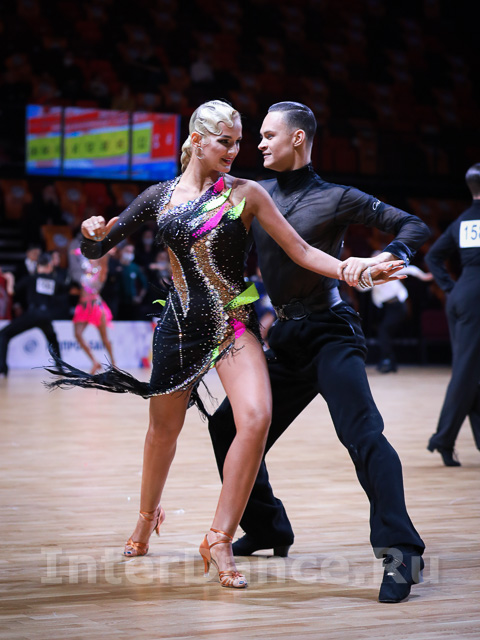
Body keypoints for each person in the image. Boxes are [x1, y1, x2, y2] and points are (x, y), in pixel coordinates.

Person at [45, 100, 402, 590]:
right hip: (178, 328)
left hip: (233, 323)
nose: (235, 150)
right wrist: (89, 234)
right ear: (196, 140)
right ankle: (146, 518)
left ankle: (219, 537)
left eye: (238, 142)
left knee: (255, 416)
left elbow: (301, 249)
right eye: (225, 141)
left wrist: (350, 270)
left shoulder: (246, 193)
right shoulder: (158, 197)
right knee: (162, 433)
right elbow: (97, 247)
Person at [208, 101, 430, 603]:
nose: (259, 144)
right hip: (285, 337)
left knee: (362, 434)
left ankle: (402, 552)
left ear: (298, 139)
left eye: (268, 135)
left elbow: (412, 225)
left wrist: (385, 257)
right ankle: (268, 527)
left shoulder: (336, 197)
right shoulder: (253, 195)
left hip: (332, 331)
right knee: (227, 427)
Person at [425, 163, 480, 467]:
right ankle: (443, 439)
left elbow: (433, 256)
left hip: (462, 295)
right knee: (466, 372)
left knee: (471, 371)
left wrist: (451, 288)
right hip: (476, 300)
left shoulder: (463, 221)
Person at [363, 256, 433, 373]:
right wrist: (355, 279)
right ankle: (389, 361)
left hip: (397, 306)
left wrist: (424, 276)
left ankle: (388, 360)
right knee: (384, 333)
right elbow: (362, 288)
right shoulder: (371, 277)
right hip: (386, 307)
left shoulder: (388, 270)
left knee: (383, 331)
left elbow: (410, 269)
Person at [0, 253, 64, 376]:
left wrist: (10, 279)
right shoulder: (54, 281)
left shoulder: (31, 278)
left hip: (33, 314)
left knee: (3, 334)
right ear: (49, 266)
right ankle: (60, 367)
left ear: (38, 265)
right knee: (53, 340)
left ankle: (2, 367)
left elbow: (11, 291)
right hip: (46, 316)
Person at [71, 249, 115, 374]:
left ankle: (114, 363)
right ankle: (95, 362)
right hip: (83, 307)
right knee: (78, 334)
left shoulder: (101, 272)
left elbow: (104, 262)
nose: (91, 259)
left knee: (104, 338)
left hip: (95, 306)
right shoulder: (87, 272)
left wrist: (106, 252)